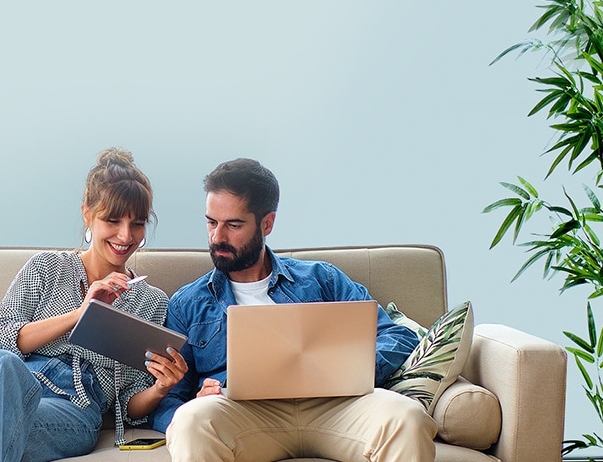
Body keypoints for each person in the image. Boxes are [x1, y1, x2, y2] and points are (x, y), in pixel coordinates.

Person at [152, 158, 434, 462]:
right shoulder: (187, 303)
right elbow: (169, 401)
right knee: (191, 420)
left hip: (335, 406)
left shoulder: (321, 279)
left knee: (407, 416)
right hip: (245, 416)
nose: (217, 237)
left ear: (267, 223)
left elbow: (397, 336)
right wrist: (197, 400)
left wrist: (346, 370)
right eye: (211, 222)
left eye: (233, 225)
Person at [0, 148, 190, 462]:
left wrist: (161, 387)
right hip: (10, 387)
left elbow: (129, 405)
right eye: (113, 220)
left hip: (73, 411)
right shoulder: (46, 268)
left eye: (137, 224)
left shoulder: (152, 302)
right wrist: (82, 314)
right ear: (87, 214)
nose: (125, 235)